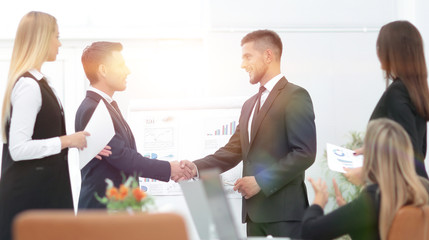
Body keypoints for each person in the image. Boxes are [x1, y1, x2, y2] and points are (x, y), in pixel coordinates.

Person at [180, 30, 317, 238]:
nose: (243, 65)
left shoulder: (295, 96)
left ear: (268, 56)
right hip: (254, 216)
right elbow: (232, 151)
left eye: (247, 56)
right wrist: (196, 167)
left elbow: (304, 153)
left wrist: (261, 181)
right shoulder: (248, 105)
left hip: (285, 216)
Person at [0, 11, 91, 240]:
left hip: (42, 193)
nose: (59, 43)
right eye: (56, 36)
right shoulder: (29, 86)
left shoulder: (39, 83)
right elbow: (18, 149)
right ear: (42, 38)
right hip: (30, 199)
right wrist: (67, 140)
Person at [76, 41, 193, 209]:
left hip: (114, 209)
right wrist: (169, 168)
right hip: (102, 211)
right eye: (121, 65)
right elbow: (122, 157)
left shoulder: (104, 106)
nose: (128, 71)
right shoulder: (92, 108)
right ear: (103, 70)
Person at [302, 118, 429, 240]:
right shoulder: (423, 189)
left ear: (371, 157)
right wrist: (351, 216)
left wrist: (319, 201)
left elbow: (309, 233)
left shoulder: (374, 198)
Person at [345, 20, 429, 181]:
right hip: (417, 189)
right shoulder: (414, 91)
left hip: (402, 194)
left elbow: (408, 156)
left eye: (380, 47)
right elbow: (418, 150)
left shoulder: (397, 92)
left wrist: (366, 172)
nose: (378, 52)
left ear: (392, 52)